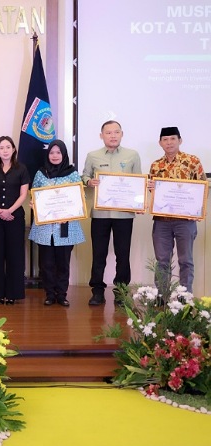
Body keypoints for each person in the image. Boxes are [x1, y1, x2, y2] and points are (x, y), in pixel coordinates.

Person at [82, 120, 142, 306]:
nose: (113, 136)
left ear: (122, 134)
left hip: (124, 215)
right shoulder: (93, 155)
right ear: (102, 136)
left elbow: (138, 181)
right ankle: (97, 291)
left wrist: (139, 203)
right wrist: (89, 181)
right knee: (98, 254)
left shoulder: (132, 155)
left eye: (116, 132)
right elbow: (84, 176)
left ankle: (121, 291)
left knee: (122, 254)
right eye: (108, 133)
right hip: (100, 214)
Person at [149, 126, 206, 293]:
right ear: (160, 143)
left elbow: (203, 188)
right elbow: (154, 193)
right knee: (162, 261)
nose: (169, 142)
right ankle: (162, 296)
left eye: (173, 139)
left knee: (186, 260)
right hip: (162, 221)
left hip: (185, 221)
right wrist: (150, 187)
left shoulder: (193, 161)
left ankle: (184, 297)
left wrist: (200, 209)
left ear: (179, 140)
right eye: (165, 140)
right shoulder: (155, 165)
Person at [29, 140, 85, 307]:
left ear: (64, 154)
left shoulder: (73, 173)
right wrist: (34, 203)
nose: (55, 156)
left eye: (58, 152)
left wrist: (69, 213)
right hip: (45, 227)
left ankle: (61, 294)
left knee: (63, 262)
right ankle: (49, 294)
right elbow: (34, 194)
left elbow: (79, 199)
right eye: (52, 152)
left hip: (65, 225)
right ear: (48, 155)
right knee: (46, 263)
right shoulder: (41, 173)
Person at [0, 136, 29, 305]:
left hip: (15, 217)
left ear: (13, 149)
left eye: (7, 147)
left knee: (15, 255)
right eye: (1, 147)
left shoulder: (21, 169)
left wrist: (9, 211)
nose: (4, 150)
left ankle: (13, 293)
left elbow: (23, 194)